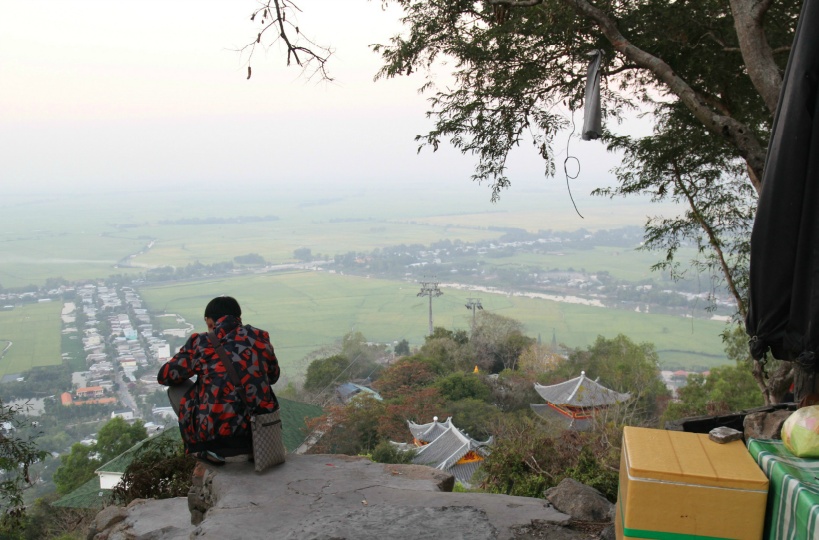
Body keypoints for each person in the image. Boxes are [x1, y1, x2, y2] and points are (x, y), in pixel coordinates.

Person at [157, 296, 280, 464]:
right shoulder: (260, 338)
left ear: (210, 322)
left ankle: (203, 448)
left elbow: (164, 376)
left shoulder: (200, 342)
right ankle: (252, 449)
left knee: (175, 389)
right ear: (239, 318)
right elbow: (273, 377)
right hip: (259, 432)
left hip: (216, 439)